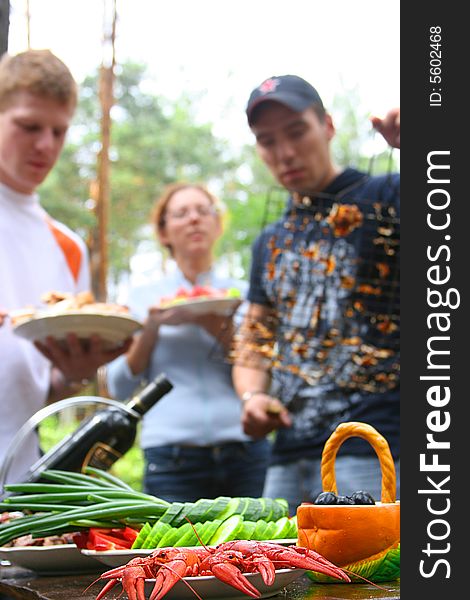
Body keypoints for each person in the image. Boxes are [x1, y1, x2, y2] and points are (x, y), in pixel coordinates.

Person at [232, 74, 400, 515]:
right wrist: (252, 398)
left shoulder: (387, 196)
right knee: (281, 578)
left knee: (371, 581)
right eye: (267, 141)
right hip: (288, 451)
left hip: (375, 442)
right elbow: (255, 337)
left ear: (326, 125)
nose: (284, 152)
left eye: (296, 131)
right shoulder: (270, 241)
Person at [0, 49, 129, 483]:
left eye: (58, 131)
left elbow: (42, 389)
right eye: (29, 126)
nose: (45, 145)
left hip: (15, 484)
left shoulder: (68, 247)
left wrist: (73, 375)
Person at [106, 182, 271, 502]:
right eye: (181, 213)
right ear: (164, 232)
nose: (194, 219)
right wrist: (151, 328)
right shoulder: (142, 298)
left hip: (245, 449)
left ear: (218, 224)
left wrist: (217, 326)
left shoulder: (245, 297)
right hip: (171, 456)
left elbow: (265, 373)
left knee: (257, 550)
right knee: (177, 552)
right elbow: (119, 386)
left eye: (203, 211)